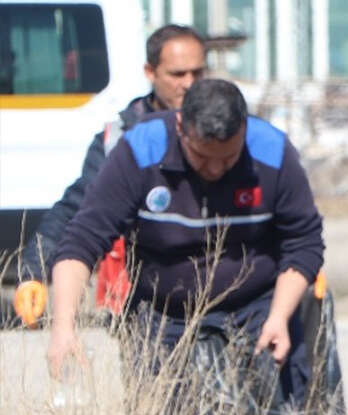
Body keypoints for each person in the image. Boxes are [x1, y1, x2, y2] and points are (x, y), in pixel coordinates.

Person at [47, 78, 323, 409]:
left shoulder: (272, 151)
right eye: (202, 157)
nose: (215, 169)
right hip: (162, 313)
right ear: (181, 127)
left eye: (228, 158)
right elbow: (81, 241)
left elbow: (304, 242)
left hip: (257, 310)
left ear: (244, 131)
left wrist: (279, 315)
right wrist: (63, 327)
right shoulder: (141, 150)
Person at [13, 24, 207, 324]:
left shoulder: (230, 130)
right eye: (177, 74)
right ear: (150, 71)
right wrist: (32, 273)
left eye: (197, 73)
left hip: (219, 294)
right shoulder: (118, 139)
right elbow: (77, 209)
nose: (189, 84)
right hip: (145, 303)